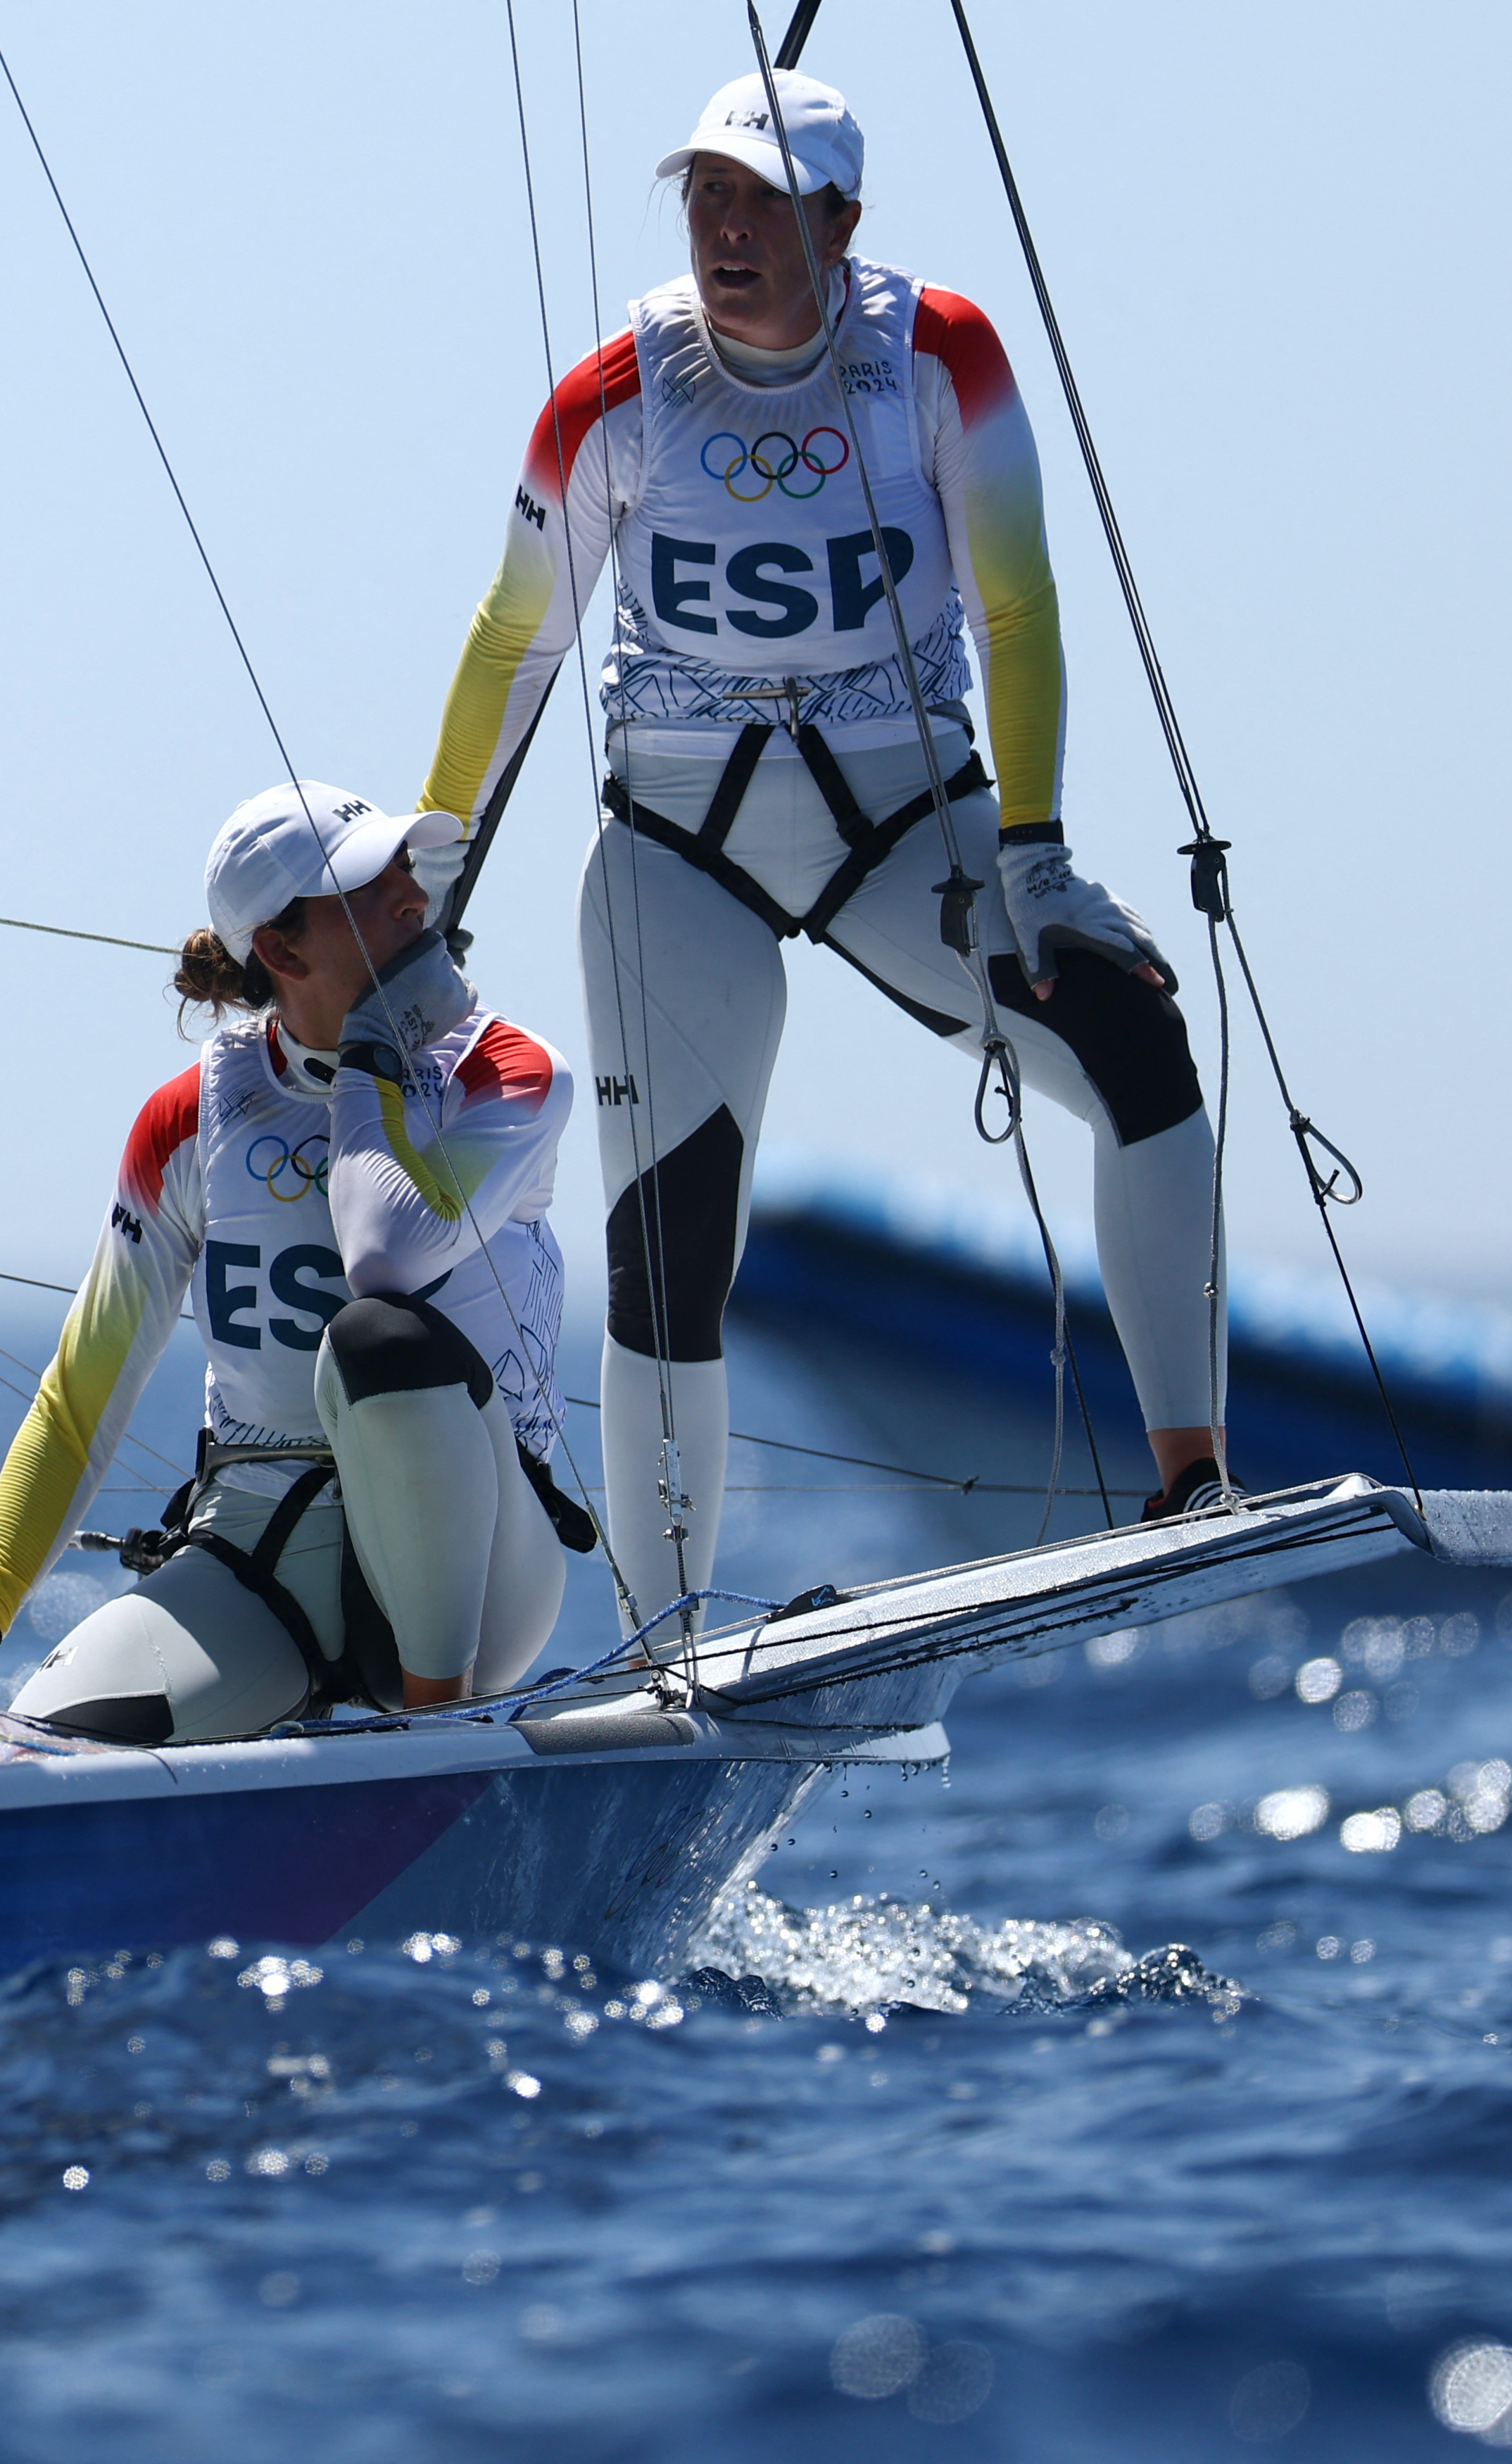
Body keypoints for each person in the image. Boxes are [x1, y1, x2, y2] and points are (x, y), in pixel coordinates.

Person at [410, 68, 1226, 1627]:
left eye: (759, 200)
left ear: (839, 221)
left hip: (903, 825)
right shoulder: (609, 398)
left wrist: (1036, 856)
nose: (723, 228)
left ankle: (1187, 1469)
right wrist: (433, 872)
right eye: (703, 196)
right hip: (677, 843)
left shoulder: (936, 355)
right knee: (666, 1246)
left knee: (1132, 1038)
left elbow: (1017, 607)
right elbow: (511, 640)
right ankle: (668, 1648)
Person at [0, 782, 585, 1741]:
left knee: (377, 1340)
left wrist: (368, 1060)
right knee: (43, 1744)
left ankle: (436, 1744)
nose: (411, 894)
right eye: (365, 881)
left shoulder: (504, 1073)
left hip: (476, 1577)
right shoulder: (185, 1121)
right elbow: (78, 1401)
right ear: (279, 948)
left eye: (404, 863)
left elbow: (384, 1257)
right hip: (255, 1553)